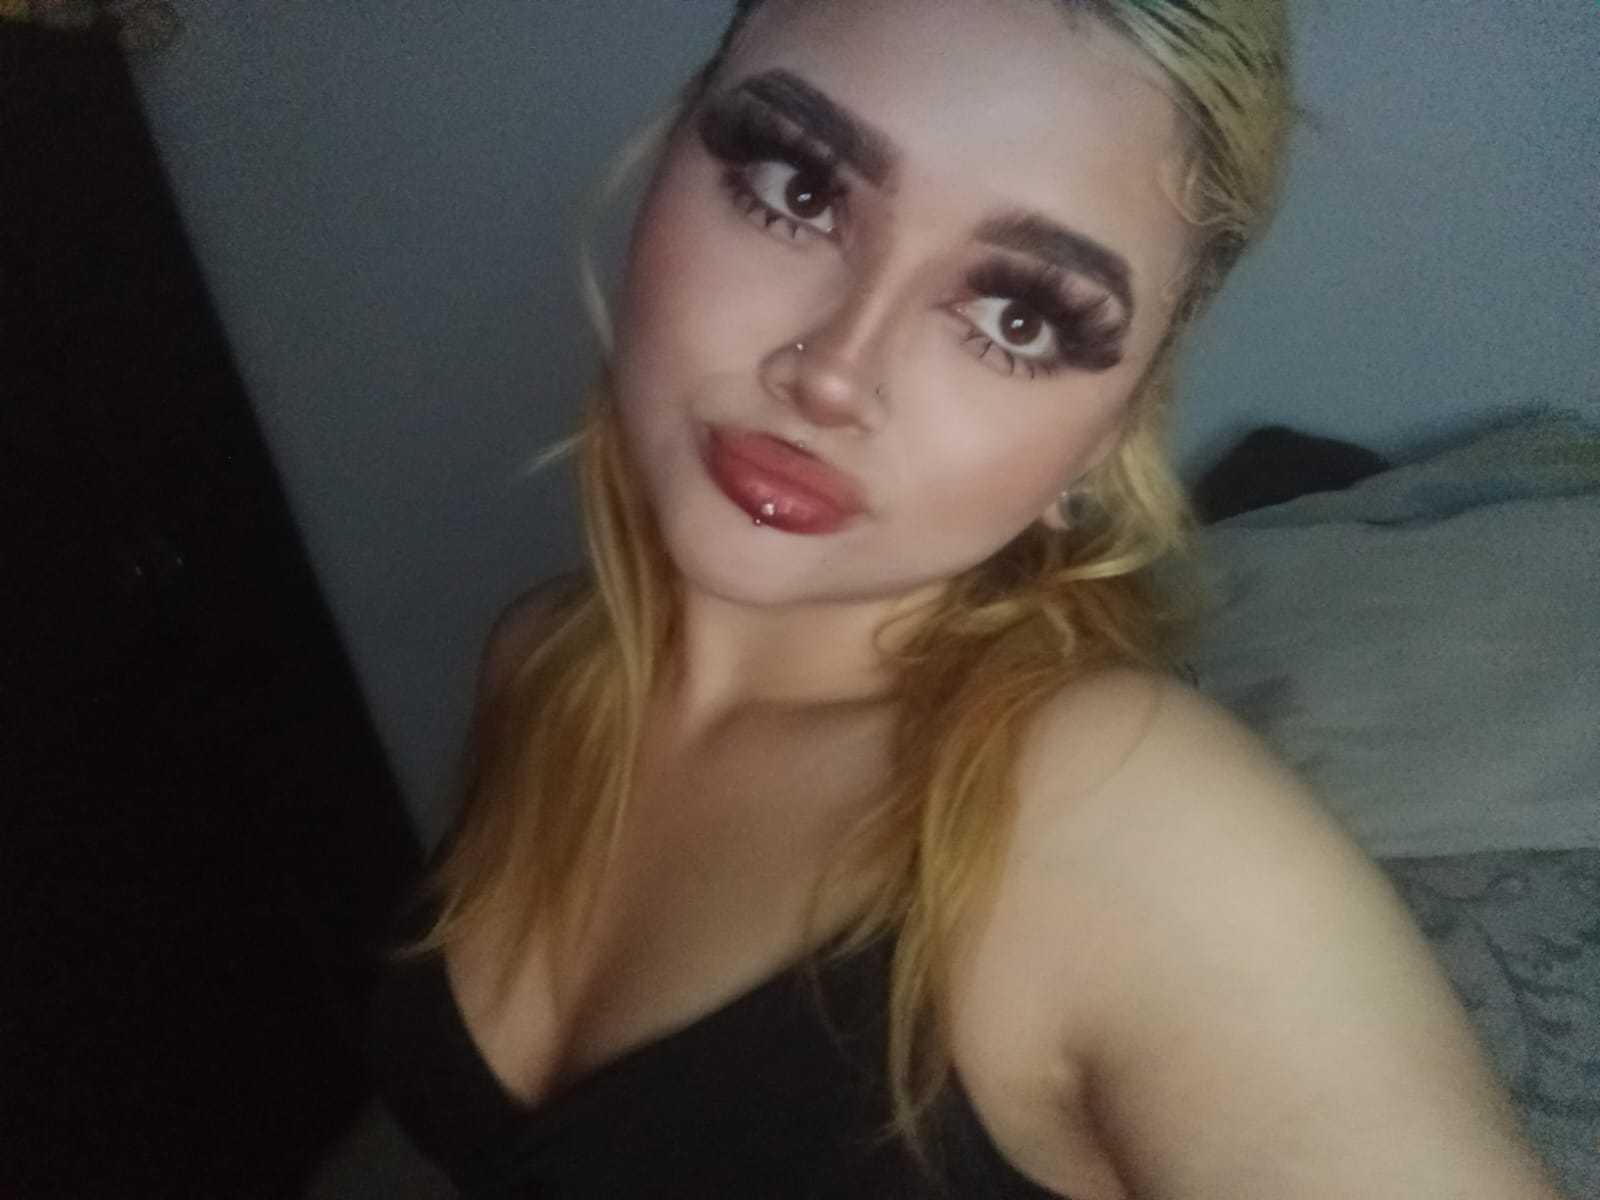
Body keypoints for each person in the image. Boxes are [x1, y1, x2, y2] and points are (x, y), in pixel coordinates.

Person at [365, 1, 1566, 1196]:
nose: (835, 374)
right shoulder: (537, 657)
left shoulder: (1124, 823)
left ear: (1112, 430)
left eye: (1017, 317)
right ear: (672, 149)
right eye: (797, 187)